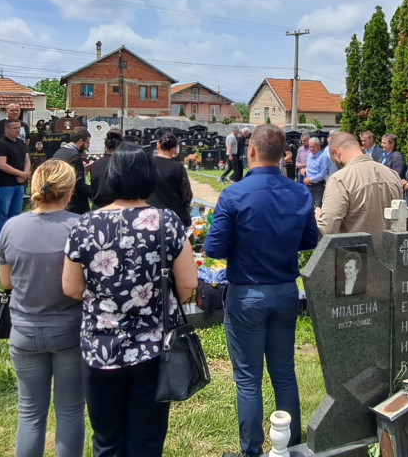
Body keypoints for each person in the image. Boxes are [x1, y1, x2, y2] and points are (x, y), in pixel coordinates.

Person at [62, 143, 197, 457]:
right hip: (153, 346)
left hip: (100, 345)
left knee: (107, 439)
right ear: (148, 176)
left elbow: (71, 287)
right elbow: (188, 283)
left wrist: (106, 302)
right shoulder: (165, 222)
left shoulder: (85, 224)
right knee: (146, 438)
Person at [204, 125, 319, 457]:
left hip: (247, 292)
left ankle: (251, 450)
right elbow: (309, 239)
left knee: (248, 379)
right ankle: (291, 445)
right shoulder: (299, 192)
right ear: (283, 155)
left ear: (251, 151)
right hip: (284, 289)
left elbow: (213, 248)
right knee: (284, 372)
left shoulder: (234, 194)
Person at [0, 160, 85, 457]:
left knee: (30, 412)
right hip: (70, 329)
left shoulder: (11, 227)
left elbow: (6, 282)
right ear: (70, 192)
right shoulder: (80, 226)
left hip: (25, 329)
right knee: (71, 410)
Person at [317, 132, 402, 247]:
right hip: (389, 252)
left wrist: (317, 218)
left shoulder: (339, 179)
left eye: (333, 159)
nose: (334, 162)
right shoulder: (392, 175)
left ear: (336, 152)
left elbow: (327, 230)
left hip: (355, 255)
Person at [0, 119, 31, 243]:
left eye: (19, 128)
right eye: (15, 128)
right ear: (7, 129)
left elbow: (27, 160)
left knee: (16, 214)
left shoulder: (21, 143)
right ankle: (0, 241)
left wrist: (25, 174)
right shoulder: (0, 143)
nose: (17, 130)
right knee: (2, 214)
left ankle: (13, 240)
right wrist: (21, 174)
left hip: (19, 184)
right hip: (5, 184)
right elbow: (2, 165)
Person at [148, 132, 194, 227]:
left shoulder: (146, 164)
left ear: (158, 145)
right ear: (174, 150)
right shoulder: (179, 167)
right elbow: (187, 197)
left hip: (150, 216)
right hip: (172, 218)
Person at [52, 127, 93, 215]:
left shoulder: (58, 152)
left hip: (58, 199)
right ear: (81, 141)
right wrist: (94, 192)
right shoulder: (75, 156)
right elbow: (78, 183)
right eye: (87, 143)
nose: (88, 146)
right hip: (74, 204)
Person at [88, 130, 121, 209]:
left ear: (106, 148)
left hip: (98, 207)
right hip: (116, 207)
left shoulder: (95, 164)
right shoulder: (122, 164)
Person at [303, 136, 330, 208]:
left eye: (313, 147)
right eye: (310, 146)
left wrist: (310, 179)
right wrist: (305, 171)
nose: (311, 149)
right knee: (308, 206)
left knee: (317, 207)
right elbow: (309, 168)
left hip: (317, 186)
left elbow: (323, 174)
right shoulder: (309, 155)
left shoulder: (323, 157)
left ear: (319, 146)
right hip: (308, 185)